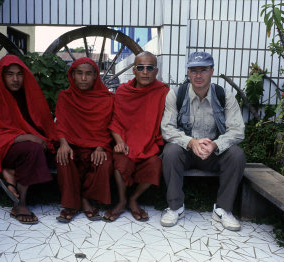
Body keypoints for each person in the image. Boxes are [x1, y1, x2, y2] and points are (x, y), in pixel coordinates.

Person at [0, 55, 57, 224]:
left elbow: (39, 122)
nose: (15, 79)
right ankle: (20, 204)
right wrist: (27, 137)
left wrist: (39, 137)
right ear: (1, 75)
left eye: (20, 74)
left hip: (13, 147)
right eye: (10, 74)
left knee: (52, 148)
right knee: (32, 149)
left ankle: (8, 171)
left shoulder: (26, 96)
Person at [160, 51, 246, 231]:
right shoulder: (176, 95)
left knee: (236, 154)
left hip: (213, 151)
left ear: (212, 71)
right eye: (193, 70)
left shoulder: (225, 96)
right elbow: (167, 129)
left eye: (203, 70)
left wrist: (215, 144)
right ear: (188, 72)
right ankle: (175, 207)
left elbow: (237, 130)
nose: (198, 75)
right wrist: (191, 143)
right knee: (170, 151)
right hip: (187, 150)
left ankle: (223, 209)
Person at [103, 51, 169, 222]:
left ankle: (134, 199)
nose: (145, 72)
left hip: (149, 144)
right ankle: (122, 200)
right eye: (141, 68)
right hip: (126, 143)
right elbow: (115, 120)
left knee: (155, 164)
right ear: (134, 70)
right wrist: (118, 141)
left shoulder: (162, 92)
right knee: (120, 161)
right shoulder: (124, 91)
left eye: (149, 68)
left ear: (156, 71)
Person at [55, 57, 114, 223]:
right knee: (63, 158)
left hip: (97, 146)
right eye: (79, 73)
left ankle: (86, 199)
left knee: (105, 163)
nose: (83, 78)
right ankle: (71, 205)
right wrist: (64, 144)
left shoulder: (107, 99)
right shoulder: (65, 97)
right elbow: (61, 124)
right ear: (72, 75)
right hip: (72, 145)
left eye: (88, 74)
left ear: (96, 76)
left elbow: (110, 125)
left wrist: (101, 147)